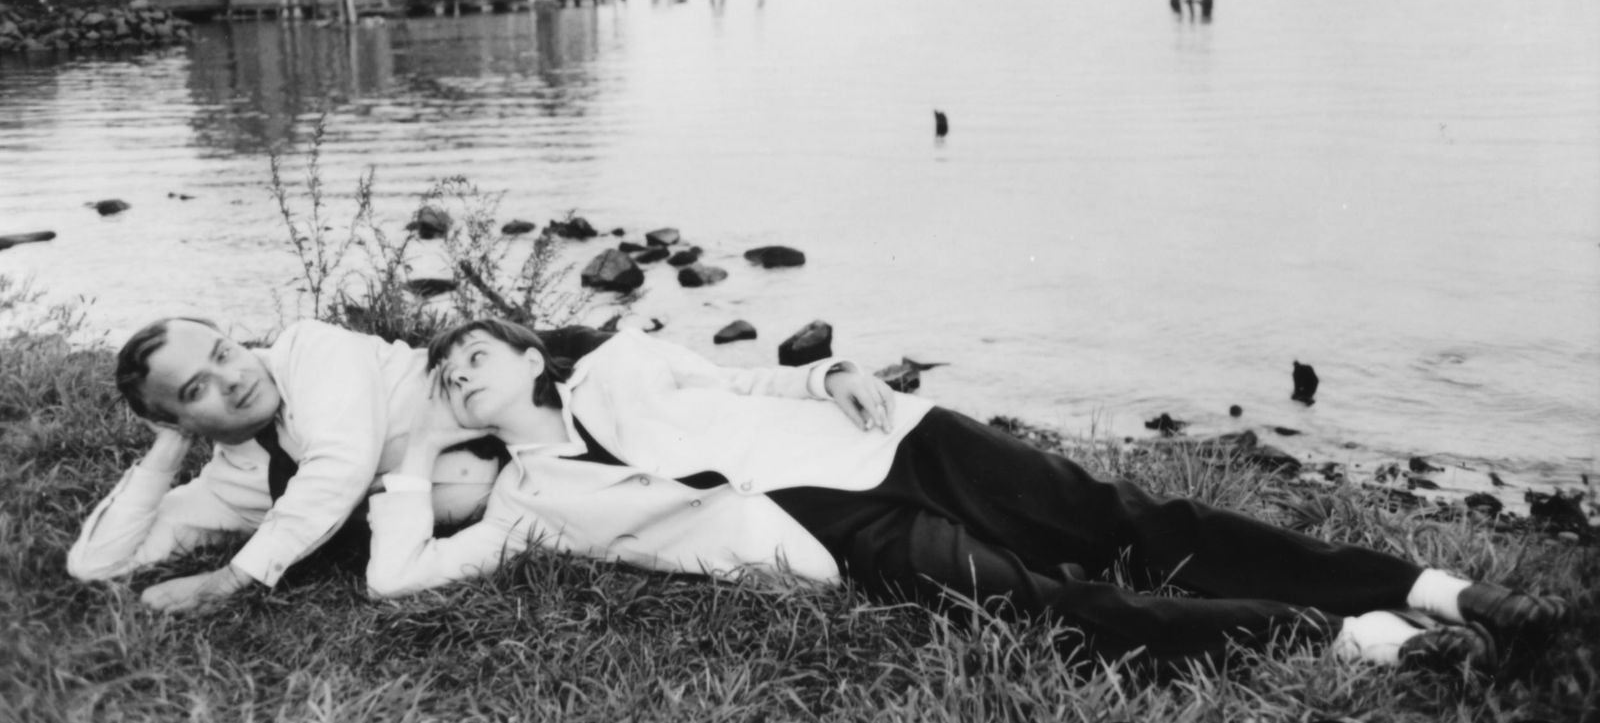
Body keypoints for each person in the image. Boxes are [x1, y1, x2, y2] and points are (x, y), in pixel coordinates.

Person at [365, 319, 1568, 672]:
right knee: (1046, 605)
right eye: (444, 373)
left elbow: (745, 378)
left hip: (892, 443)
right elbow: (393, 578)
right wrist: (412, 454)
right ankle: (1358, 638)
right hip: (826, 533)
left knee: (1128, 524)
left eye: (472, 352)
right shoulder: (529, 500)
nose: (458, 371)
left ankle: (1437, 587)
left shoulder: (625, 359)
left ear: (528, 354)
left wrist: (830, 371)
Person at [67, 317, 609, 611]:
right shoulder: (229, 487)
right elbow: (97, 564)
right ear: (177, 419)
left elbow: (340, 465)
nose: (232, 378)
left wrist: (235, 578)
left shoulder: (311, 350)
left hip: (574, 385)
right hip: (556, 475)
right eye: (196, 388)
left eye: (223, 352)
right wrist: (166, 453)